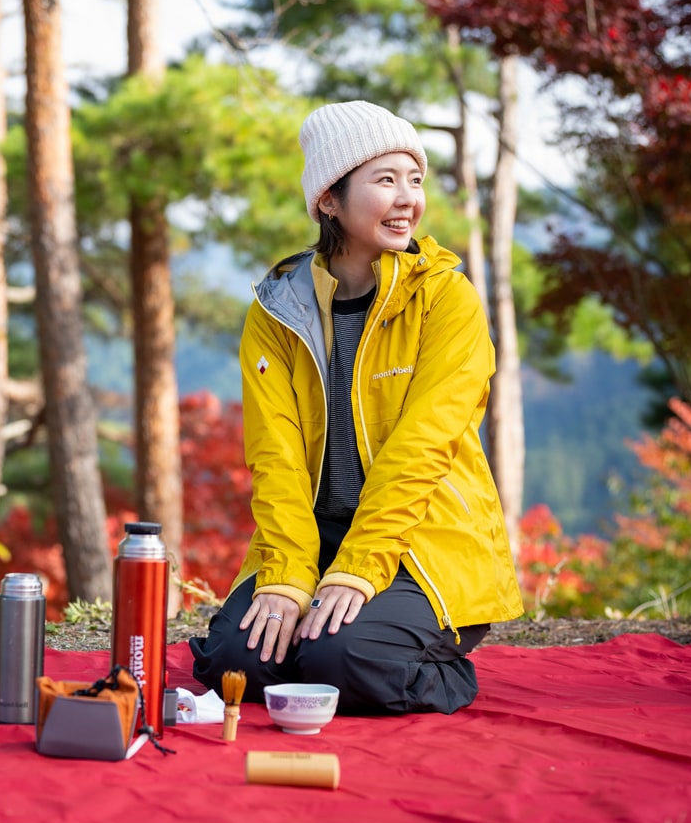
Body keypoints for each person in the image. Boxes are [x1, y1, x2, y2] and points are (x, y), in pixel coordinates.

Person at [189, 100, 525, 715]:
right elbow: (276, 454)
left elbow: (422, 449)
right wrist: (290, 576)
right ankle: (315, 620)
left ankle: (444, 670)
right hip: (313, 541)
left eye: (415, 180)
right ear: (330, 201)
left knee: (335, 660)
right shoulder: (277, 310)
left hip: (417, 546)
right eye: (385, 180)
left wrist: (357, 570)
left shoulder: (446, 300)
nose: (407, 199)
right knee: (236, 663)